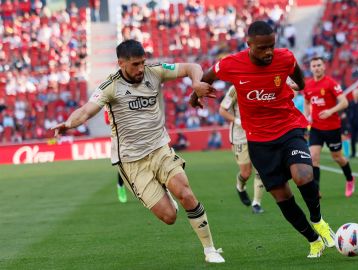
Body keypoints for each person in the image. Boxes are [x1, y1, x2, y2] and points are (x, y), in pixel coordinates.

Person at [52, 40, 225, 263]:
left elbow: (191, 67)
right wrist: (68, 123)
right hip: (132, 161)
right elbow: (85, 111)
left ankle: (209, 249)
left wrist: (196, 83)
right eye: (135, 65)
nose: (141, 69)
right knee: (169, 216)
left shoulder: (155, 72)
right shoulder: (110, 86)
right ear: (121, 63)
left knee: (187, 193)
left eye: (143, 63)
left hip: (160, 148)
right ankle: (165, 194)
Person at [191, 21, 334, 258]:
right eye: (262, 48)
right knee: (281, 196)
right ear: (249, 45)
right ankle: (313, 239)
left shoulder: (284, 57)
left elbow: (298, 75)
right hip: (258, 141)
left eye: (271, 46)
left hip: (289, 128)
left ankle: (318, 220)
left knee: (304, 175)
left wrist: (299, 84)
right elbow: (207, 77)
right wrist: (194, 95)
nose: (269, 52)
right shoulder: (231, 64)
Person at [302, 57, 355, 198]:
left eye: (319, 65)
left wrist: (330, 111)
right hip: (316, 128)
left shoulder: (331, 83)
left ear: (324, 67)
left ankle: (350, 179)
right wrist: (307, 115)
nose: (316, 68)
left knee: (337, 157)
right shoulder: (308, 85)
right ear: (311, 68)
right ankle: (316, 190)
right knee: (313, 157)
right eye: (314, 66)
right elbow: (307, 102)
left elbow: (344, 102)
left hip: (332, 127)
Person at [219, 86, 265, 214]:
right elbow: (222, 110)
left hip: (258, 133)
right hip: (240, 136)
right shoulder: (235, 88)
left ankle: (256, 203)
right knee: (246, 173)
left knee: (260, 170)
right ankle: (240, 186)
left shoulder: (261, 83)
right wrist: (237, 120)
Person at [104, 108, 127, 203]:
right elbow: (106, 120)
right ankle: (120, 186)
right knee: (123, 164)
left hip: (135, 133)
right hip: (119, 137)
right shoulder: (109, 99)